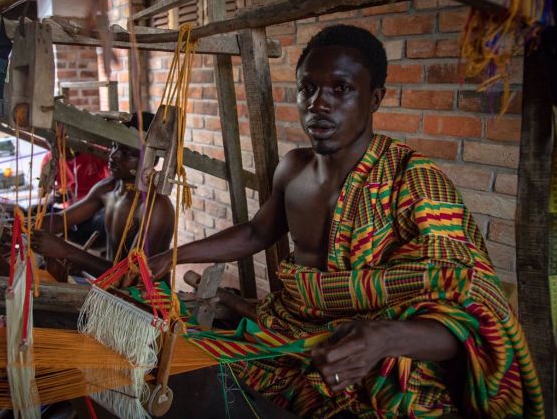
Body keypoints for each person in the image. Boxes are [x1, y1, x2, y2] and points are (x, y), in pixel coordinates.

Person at [148, 25, 544, 418]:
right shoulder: (293, 168)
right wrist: (173, 256)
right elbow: (257, 231)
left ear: (375, 99)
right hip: (285, 328)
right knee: (182, 375)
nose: (319, 104)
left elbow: (473, 315)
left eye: (341, 89)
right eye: (307, 88)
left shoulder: (415, 182)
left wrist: (384, 338)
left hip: (370, 347)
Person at [31, 112, 175, 278]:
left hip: (143, 299)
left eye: (127, 153)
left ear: (153, 160)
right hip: (111, 287)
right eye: (114, 146)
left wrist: (68, 252)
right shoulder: (109, 187)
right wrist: (22, 225)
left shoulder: (155, 207)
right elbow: (62, 220)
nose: (113, 156)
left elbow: (132, 275)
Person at [38, 145, 109, 246]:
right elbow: (42, 197)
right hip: (68, 215)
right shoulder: (50, 160)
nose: (57, 148)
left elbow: (112, 188)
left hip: (93, 213)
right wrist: (53, 198)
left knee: (106, 219)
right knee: (36, 210)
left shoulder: (96, 154)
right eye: (50, 142)